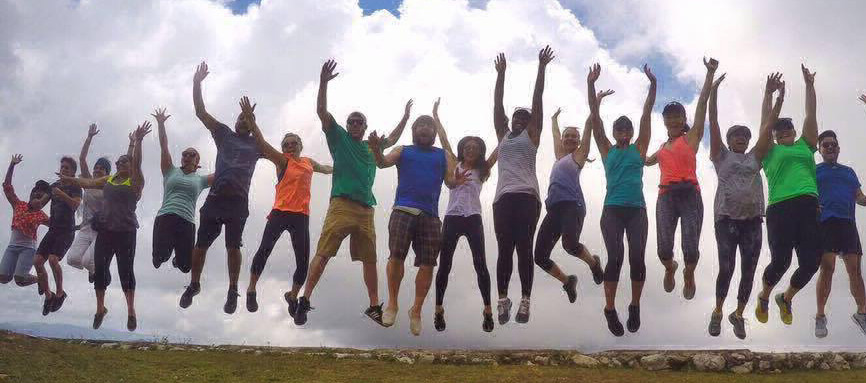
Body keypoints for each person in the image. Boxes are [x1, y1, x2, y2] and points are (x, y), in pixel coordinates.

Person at [293, 60, 413, 326]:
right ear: (347, 125)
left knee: (370, 258)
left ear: (365, 126)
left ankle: (374, 306)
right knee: (324, 252)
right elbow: (322, 112)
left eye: (360, 122)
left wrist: (405, 117)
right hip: (342, 205)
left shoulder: (372, 145)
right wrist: (323, 83)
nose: (355, 124)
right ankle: (305, 299)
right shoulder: (339, 138)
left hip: (366, 209)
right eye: (352, 121)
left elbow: (393, 139)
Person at [369, 105, 463, 335]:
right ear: (414, 131)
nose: (424, 128)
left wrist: (457, 180)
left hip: (430, 215)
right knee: (396, 256)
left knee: (428, 263)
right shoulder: (403, 150)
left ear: (434, 132)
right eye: (420, 125)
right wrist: (376, 150)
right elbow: (382, 163)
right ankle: (392, 304)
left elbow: (450, 182)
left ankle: (416, 310)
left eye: (429, 125)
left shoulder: (442, 155)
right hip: (403, 209)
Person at [179, 62, 263, 315]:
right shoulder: (224, 134)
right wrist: (197, 82)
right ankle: (194, 285)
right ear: (235, 121)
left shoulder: (257, 144)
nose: (243, 121)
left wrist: (253, 123)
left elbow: (275, 154)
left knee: (233, 246)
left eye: (247, 120)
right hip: (215, 199)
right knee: (200, 245)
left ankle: (233, 289)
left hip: (238, 202)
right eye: (241, 118)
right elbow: (200, 112)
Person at [706, 73, 781, 339]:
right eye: (736, 136)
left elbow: (768, 128)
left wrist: (777, 97)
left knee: (748, 270)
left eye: (745, 136)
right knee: (727, 268)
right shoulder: (720, 155)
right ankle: (717, 311)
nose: (741, 138)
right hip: (726, 219)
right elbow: (713, 122)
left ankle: (738, 314)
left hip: (752, 221)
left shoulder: (755, 157)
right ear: (729, 140)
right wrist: (713, 91)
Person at [60, 122, 150, 331]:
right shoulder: (109, 179)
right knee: (99, 270)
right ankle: (100, 309)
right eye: (118, 162)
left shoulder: (135, 181)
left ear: (130, 166)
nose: (119, 164)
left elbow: (136, 163)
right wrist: (68, 179)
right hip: (106, 232)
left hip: (126, 233)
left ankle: (131, 311)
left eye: (123, 162)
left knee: (125, 271)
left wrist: (138, 142)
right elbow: (88, 183)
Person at [589, 63, 654, 336]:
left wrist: (653, 85)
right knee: (615, 257)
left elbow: (647, 115)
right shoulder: (607, 149)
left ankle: (635, 306)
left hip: (637, 210)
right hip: (612, 210)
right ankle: (610, 309)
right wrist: (591, 85)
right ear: (615, 133)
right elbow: (595, 120)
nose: (625, 134)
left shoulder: (640, 148)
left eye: (628, 130)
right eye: (620, 130)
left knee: (637, 258)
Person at [244, 114, 332, 315]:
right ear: (282, 149)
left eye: (294, 143)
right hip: (280, 212)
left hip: (301, 216)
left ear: (300, 145)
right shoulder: (282, 160)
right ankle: (251, 289)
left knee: (303, 261)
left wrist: (340, 168)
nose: (290, 147)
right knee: (264, 250)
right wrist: (252, 123)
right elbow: (262, 144)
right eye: (286, 145)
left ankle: (292, 296)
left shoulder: (308, 162)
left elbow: (326, 169)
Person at [645, 57, 718, 300]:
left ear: (684, 119)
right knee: (663, 249)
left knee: (690, 247)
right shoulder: (662, 148)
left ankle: (689, 272)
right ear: (664, 121)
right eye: (669, 116)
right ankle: (670, 267)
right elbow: (643, 159)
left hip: (689, 194)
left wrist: (709, 74)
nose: (673, 120)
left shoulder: (691, 138)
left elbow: (702, 103)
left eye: (677, 116)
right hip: (666, 195)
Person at [753, 64, 820, 327]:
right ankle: (765, 296)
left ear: (794, 131)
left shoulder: (806, 145)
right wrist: (768, 95)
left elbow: (811, 114)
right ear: (775, 137)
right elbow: (764, 124)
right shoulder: (770, 151)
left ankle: (786, 298)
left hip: (809, 206)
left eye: (788, 129)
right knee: (781, 261)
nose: (784, 133)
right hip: (780, 208)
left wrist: (809, 86)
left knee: (811, 262)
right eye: (779, 132)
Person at [491, 46, 554, 325]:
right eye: (516, 117)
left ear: (530, 124)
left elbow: (537, 99)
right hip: (503, 199)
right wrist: (501, 75)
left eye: (524, 118)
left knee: (524, 247)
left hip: (527, 197)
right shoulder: (503, 135)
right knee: (504, 249)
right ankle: (503, 300)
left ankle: (526, 301)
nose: (519, 120)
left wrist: (541, 68)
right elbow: (497, 106)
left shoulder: (532, 135)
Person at [432, 98, 499, 333]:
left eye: (475, 148)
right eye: (467, 147)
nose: (471, 150)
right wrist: (436, 116)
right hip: (452, 217)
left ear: (479, 152)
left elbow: (499, 149)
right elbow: (444, 140)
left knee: (480, 264)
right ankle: (438, 309)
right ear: (462, 150)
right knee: (445, 264)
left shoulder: (483, 169)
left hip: (473, 218)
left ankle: (488, 311)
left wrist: (509, 130)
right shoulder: (454, 164)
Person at [533, 105, 603, 304]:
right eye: (567, 136)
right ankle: (567, 281)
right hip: (554, 209)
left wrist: (595, 105)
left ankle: (593, 263)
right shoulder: (559, 156)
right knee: (540, 257)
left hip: (573, 205)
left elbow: (588, 128)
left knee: (570, 245)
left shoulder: (578, 156)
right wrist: (554, 119)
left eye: (574, 136)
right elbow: (555, 136)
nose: (570, 138)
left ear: (579, 142)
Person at [814, 128, 866, 337]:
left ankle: (862, 313)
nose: (830, 148)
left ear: (838, 148)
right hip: (825, 223)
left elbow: (859, 197)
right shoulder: (814, 170)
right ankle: (820, 317)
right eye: (825, 145)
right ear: (819, 149)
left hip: (847, 223)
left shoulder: (848, 172)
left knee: (855, 271)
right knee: (827, 269)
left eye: (833, 145)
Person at [151, 107, 213, 274]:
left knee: (186, 267)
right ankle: (167, 249)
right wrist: (161, 124)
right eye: (185, 154)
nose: (187, 157)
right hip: (166, 216)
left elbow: (223, 173)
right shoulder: (170, 171)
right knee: (159, 259)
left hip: (186, 221)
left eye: (191, 155)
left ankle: (177, 258)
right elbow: (164, 147)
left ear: (197, 161)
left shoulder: (200, 180)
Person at [34, 155, 82, 315]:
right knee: (37, 261)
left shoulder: (76, 186)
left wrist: (61, 194)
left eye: (67, 168)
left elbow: (75, 205)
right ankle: (49, 296)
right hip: (53, 230)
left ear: (73, 173)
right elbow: (41, 203)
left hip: (66, 231)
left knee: (53, 260)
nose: (63, 170)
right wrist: (36, 202)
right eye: (62, 167)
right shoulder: (54, 186)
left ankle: (60, 294)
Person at [66, 124, 112, 282]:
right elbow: (82, 159)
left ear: (107, 173)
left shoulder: (108, 186)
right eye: (96, 168)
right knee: (72, 259)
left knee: (87, 261)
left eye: (102, 169)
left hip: (101, 229)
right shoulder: (88, 181)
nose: (97, 170)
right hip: (85, 228)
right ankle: (95, 268)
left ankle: (99, 270)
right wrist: (89, 137)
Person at [1, 155, 50, 287]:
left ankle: (40, 279)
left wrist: (78, 226)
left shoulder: (41, 215)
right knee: (3, 278)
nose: (37, 197)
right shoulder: (19, 205)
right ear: (31, 194)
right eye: (36, 193)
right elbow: (7, 187)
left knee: (20, 280)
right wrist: (12, 165)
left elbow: (58, 225)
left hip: (28, 248)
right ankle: (40, 279)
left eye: (41, 197)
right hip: (12, 247)